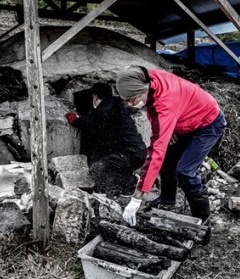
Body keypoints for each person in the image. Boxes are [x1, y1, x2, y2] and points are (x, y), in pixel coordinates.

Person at [115, 66, 227, 244]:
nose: (130, 104)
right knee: (167, 159)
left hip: (208, 123)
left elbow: (154, 153)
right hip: (187, 118)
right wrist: (173, 125)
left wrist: (137, 198)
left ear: (143, 91)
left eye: (132, 99)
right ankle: (167, 199)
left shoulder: (165, 104)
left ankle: (203, 226)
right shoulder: (145, 78)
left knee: (185, 171)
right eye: (126, 101)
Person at [65, 82, 147, 196]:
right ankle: (127, 184)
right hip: (136, 152)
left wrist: (74, 119)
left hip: (129, 153)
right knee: (107, 165)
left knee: (97, 168)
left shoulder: (107, 106)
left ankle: (130, 183)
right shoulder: (118, 105)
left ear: (95, 97)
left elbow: (90, 122)